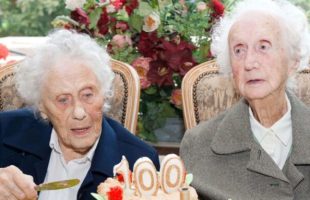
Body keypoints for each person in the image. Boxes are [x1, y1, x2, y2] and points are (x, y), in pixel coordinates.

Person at [0, 29, 159, 200]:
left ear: (103, 94)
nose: (79, 113)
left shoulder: (138, 161)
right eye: (63, 100)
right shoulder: (5, 132)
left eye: (88, 95)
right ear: (42, 107)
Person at [180, 0, 310, 199]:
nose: (249, 63)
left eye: (263, 47)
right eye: (239, 50)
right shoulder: (198, 145)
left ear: (293, 61)